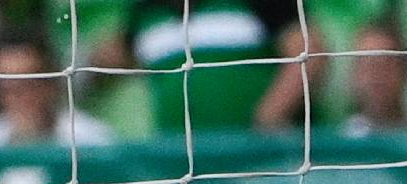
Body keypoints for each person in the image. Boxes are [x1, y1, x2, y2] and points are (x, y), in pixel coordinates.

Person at [97, 0, 325, 133]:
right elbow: (107, 61)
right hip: (183, 165)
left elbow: (309, 54)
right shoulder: (145, 11)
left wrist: (268, 118)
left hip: (263, 163)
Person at [0, 34, 113, 149]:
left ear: (52, 83)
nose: (18, 95)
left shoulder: (94, 143)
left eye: (29, 83)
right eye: (6, 85)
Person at [343, 20, 407, 137]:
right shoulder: (339, 141)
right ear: (354, 73)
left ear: (403, 70)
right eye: (367, 63)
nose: (376, 73)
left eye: (386, 63)